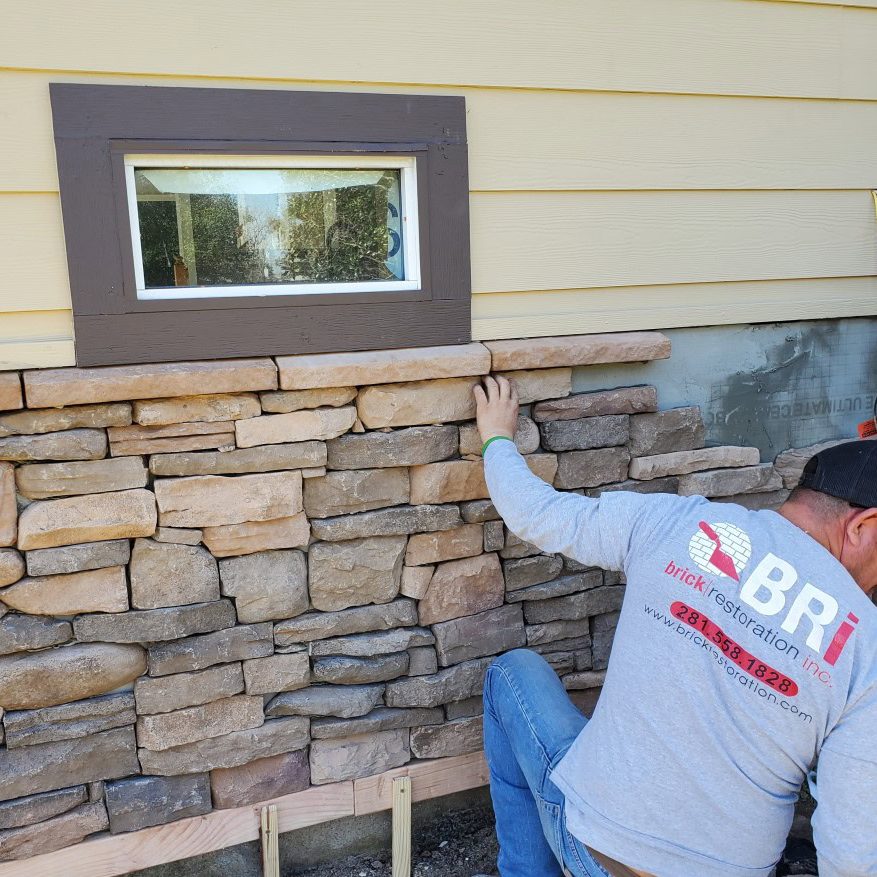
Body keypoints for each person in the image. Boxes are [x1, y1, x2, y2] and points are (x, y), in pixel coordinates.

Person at [474, 376, 877, 877]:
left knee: (513, 672)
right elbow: (853, 858)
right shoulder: (868, 650)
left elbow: (536, 513)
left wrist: (496, 438)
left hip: (597, 858)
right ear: (863, 526)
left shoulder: (674, 523)